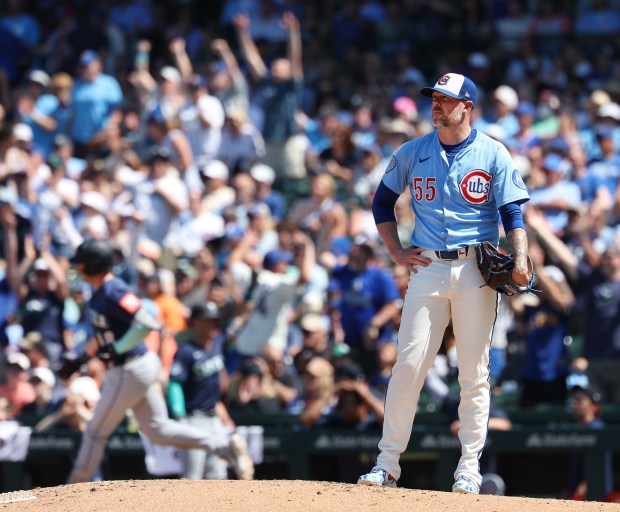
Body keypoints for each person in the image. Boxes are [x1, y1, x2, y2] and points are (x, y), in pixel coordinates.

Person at [357, 73, 532, 494]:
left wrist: (522, 258)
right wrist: (396, 252)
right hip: (427, 267)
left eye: (446, 99)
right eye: (434, 98)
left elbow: (513, 214)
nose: (437, 105)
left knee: (474, 372)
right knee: (408, 365)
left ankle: (468, 468)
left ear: (466, 106)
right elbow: (382, 201)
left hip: (477, 269)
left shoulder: (493, 153)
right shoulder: (413, 151)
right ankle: (387, 465)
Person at [59, 239, 254, 483]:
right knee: (158, 430)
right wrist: (81, 359)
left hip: (130, 367)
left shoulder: (112, 290)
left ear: (93, 266)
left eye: (82, 264)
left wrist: (119, 347)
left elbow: (146, 321)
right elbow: (106, 336)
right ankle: (224, 445)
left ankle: (73, 487)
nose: (77, 269)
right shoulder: (100, 293)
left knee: (96, 432)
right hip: (135, 367)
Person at [168, 302, 234, 480]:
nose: (212, 325)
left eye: (214, 321)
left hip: (214, 419)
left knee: (218, 476)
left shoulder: (217, 344)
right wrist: (180, 416)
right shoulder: (185, 351)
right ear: (195, 322)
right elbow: (174, 384)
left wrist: (224, 415)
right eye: (207, 321)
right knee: (192, 477)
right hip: (193, 419)